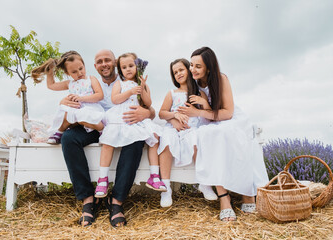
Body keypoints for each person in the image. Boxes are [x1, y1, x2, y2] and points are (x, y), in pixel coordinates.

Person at [59, 50, 156, 227]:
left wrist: (147, 113)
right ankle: (89, 198)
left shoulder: (129, 81)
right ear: (95, 66)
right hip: (95, 126)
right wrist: (65, 102)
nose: (104, 64)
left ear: (115, 63)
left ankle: (116, 200)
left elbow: (151, 109)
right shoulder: (88, 83)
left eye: (107, 60)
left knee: (136, 142)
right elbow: (71, 103)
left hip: (125, 124)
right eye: (99, 61)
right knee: (68, 138)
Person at [178, 47, 268, 221]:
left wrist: (202, 109)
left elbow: (227, 113)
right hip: (207, 120)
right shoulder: (193, 83)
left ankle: (247, 193)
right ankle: (223, 197)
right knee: (206, 136)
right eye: (191, 65)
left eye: (198, 66)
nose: (192, 70)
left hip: (229, 118)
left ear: (208, 68)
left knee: (230, 133)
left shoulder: (221, 79)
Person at [95, 53, 166, 199]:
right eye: (124, 67)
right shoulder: (119, 83)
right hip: (121, 116)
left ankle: (154, 175)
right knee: (108, 142)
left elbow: (148, 103)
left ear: (137, 67)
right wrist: (130, 92)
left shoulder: (142, 84)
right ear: (120, 70)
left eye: (131, 66)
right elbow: (115, 99)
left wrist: (142, 87)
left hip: (137, 117)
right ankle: (103, 179)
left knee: (155, 138)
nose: (128, 69)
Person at [158, 58, 217, 207]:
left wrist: (204, 103)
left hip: (192, 127)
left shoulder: (199, 93)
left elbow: (209, 113)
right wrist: (174, 117)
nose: (178, 74)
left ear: (188, 70)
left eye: (181, 70)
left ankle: (204, 183)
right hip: (173, 127)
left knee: (196, 140)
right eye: (175, 72)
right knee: (166, 142)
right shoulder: (172, 93)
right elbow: (162, 113)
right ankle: (166, 188)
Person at [31, 51, 104, 144]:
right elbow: (51, 85)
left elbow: (99, 95)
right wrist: (50, 72)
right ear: (67, 72)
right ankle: (59, 132)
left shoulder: (91, 79)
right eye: (74, 72)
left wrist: (81, 98)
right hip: (74, 109)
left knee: (89, 118)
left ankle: (102, 131)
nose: (79, 73)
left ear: (84, 65)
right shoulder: (69, 83)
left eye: (81, 68)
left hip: (89, 107)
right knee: (64, 114)